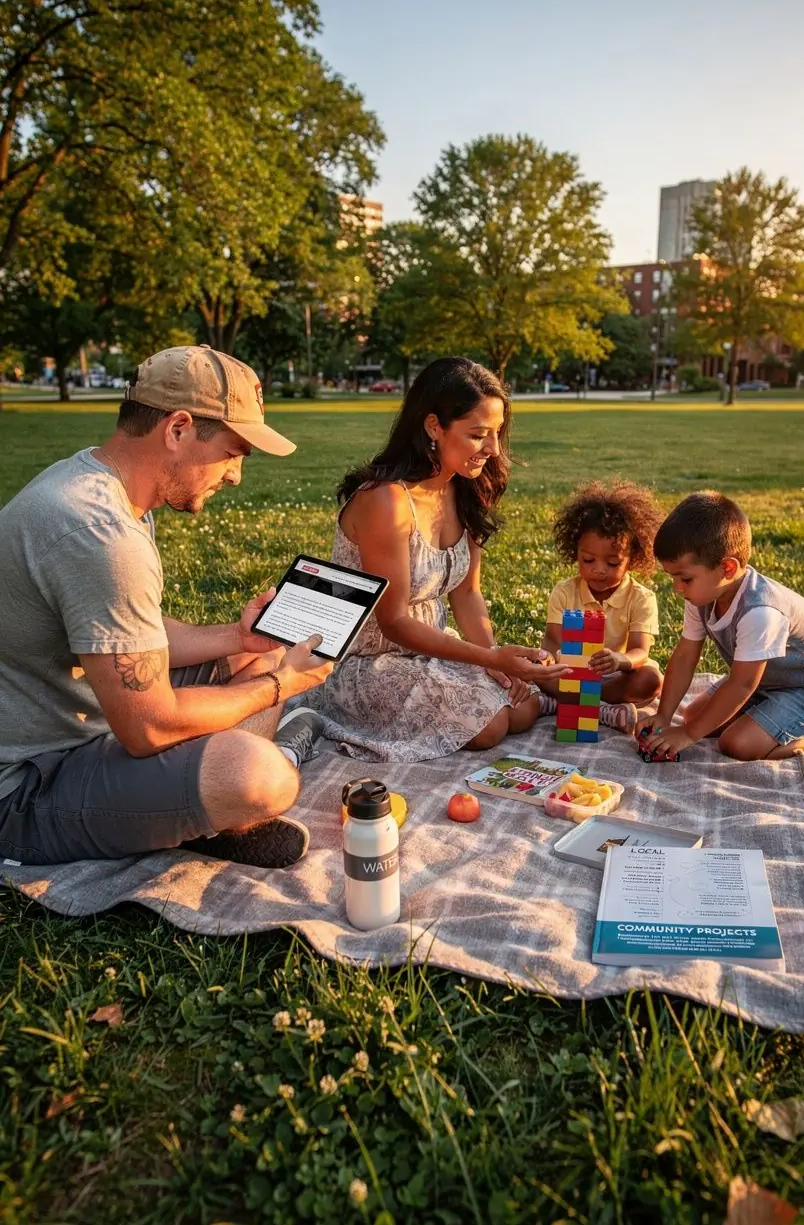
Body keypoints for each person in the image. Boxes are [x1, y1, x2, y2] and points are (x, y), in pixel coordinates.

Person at [0, 345, 332, 870]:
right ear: (178, 428)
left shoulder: (106, 488)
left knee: (257, 659)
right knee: (261, 776)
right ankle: (191, 812)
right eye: (234, 451)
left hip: (83, 720)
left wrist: (239, 639)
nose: (236, 475)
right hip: (24, 787)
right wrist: (278, 689)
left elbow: (136, 635)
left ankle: (176, 807)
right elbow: (149, 727)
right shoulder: (101, 535)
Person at [316, 357, 561, 761]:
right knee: (491, 724)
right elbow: (392, 622)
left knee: (523, 708)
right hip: (367, 663)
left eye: (497, 433)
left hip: (432, 651)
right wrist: (487, 659)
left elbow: (467, 594)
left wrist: (498, 665)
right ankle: (318, 716)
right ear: (434, 427)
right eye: (478, 434)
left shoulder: (466, 490)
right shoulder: (386, 500)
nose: (493, 448)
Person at [639, 491, 804, 760]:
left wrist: (687, 735)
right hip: (766, 682)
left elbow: (742, 685)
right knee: (693, 714)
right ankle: (765, 716)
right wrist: (664, 715)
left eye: (685, 578)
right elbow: (686, 655)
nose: (676, 588)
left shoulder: (760, 612)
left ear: (728, 569)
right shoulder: (702, 594)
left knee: (736, 744)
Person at [539, 481, 663, 734]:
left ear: (633, 559)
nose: (599, 569)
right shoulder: (565, 591)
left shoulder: (642, 598)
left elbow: (640, 649)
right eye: (588, 560)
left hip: (614, 677)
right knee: (533, 667)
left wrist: (620, 659)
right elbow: (553, 639)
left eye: (613, 562)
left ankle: (571, 703)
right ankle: (599, 709)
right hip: (570, 671)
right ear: (575, 552)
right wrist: (559, 662)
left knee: (651, 680)